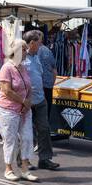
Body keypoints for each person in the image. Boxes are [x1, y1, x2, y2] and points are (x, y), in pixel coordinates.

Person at [0, 38, 38, 182]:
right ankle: (8, 169)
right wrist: (23, 101)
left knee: (27, 138)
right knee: (10, 140)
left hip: (24, 110)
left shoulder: (23, 67)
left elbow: (28, 86)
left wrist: (28, 102)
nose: (26, 52)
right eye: (23, 49)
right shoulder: (6, 68)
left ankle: (25, 169)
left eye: (26, 49)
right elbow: (6, 90)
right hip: (8, 110)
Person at [22, 29, 59, 170]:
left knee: (44, 129)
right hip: (27, 100)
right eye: (38, 43)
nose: (41, 45)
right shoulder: (22, 58)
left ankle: (44, 159)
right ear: (31, 43)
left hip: (40, 98)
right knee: (26, 131)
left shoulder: (36, 55)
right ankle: (23, 160)